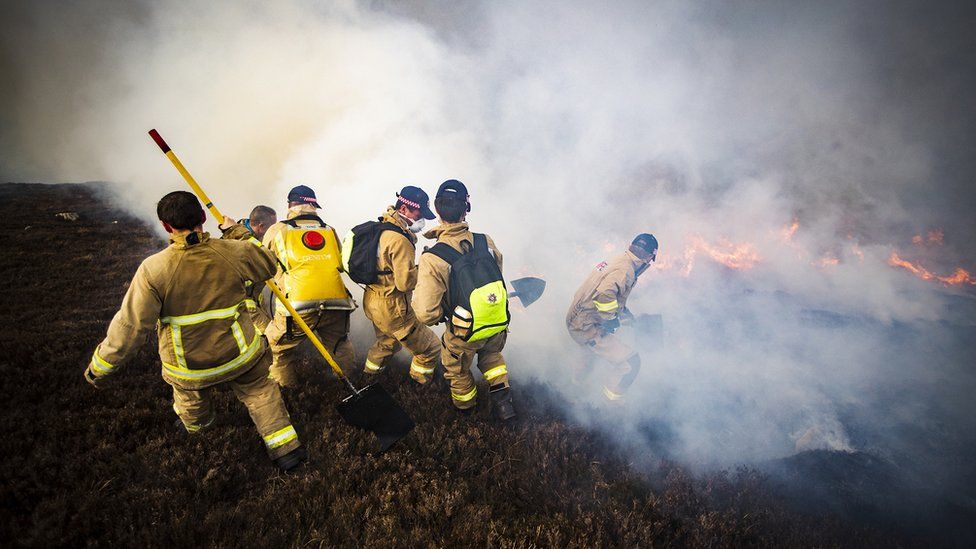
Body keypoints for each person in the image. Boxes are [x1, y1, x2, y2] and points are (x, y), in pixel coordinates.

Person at [83, 191, 305, 471]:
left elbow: (131, 326)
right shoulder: (232, 252)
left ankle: (203, 436)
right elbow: (269, 262)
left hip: (189, 366)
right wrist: (237, 232)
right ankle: (288, 452)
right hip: (240, 354)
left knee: (191, 402)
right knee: (261, 393)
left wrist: (100, 368)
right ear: (203, 218)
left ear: (166, 225)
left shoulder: (153, 270)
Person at [413, 180, 516, 421]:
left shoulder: (433, 256)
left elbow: (425, 312)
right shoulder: (485, 241)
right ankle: (504, 406)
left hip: (463, 331)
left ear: (437, 210)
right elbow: (496, 275)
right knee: (493, 360)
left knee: (457, 369)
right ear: (465, 209)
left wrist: (444, 315)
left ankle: (467, 412)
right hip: (496, 323)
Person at [262, 185, 356, 387]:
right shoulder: (329, 230)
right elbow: (340, 264)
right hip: (337, 302)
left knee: (277, 349)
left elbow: (262, 264)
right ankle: (345, 385)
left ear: (290, 205)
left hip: (296, 307)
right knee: (340, 344)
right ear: (313, 206)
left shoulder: (278, 230)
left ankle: (288, 391)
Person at [357, 186, 441, 383]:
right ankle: (419, 387)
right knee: (430, 348)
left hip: (373, 300)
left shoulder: (380, 229)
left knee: (387, 342)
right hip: (393, 307)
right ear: (403, 209)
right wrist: (427, 267)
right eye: (418, 214)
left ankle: (368, 377)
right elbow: (405, 283)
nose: (421, 220)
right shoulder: (399, 240)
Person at [565, 233, 658, 402]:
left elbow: (609, 291)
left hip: (578, 318)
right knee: (631, 364)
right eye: (652, 258)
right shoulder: (625, 270)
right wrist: (610, 319)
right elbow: (605, 292)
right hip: (585, 326)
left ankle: (574, 391)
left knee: (589, 354)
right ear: (649, 256)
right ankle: (609, 405)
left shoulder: (620, 260)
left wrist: (622, 313)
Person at [218, 205, 278, 332]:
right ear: (261, 226)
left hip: (256, 297)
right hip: (241, 300)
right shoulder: (236, 240)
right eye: (272, 227)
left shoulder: (257, 236)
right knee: (268, 332)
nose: (274, 230)